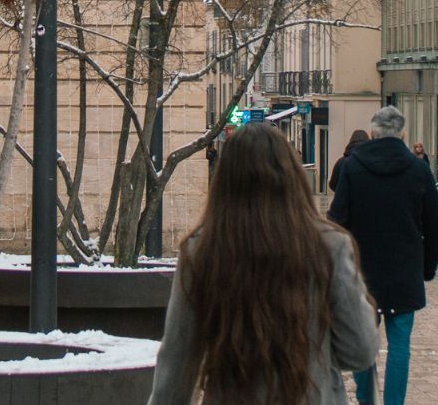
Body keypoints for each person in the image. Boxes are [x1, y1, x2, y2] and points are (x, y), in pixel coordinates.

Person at [148, 124, 378, 405]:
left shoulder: (202, 250)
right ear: (292, 177)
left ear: (224, 181)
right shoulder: (328, 246)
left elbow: (177, 363)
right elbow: (360, 350)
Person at [329, 106, 438, 405]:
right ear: (403, 134)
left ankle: (367, 399)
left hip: (362, 272)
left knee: (364, 341)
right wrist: (426, 267)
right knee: (400, 345)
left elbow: (336, 222)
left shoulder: (353, 167)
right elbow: (437, 224)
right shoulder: (419, 170)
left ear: (372, 133)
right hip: (404, 270)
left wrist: (338, 268)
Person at [329, 129, 369, 198]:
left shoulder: (341, 162)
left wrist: (342, 192)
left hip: (345, 202)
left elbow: (333, 184)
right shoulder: (372, 161)